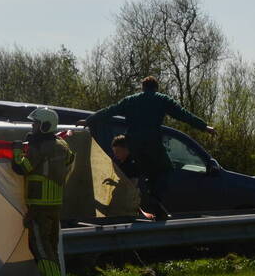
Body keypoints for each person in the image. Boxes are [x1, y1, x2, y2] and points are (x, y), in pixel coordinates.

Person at [82, 76, 215, 221]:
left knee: (144, 172)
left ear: (142, 88)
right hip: (152, 143)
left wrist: (90, 119)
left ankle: (152, 205)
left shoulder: (130, 100)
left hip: (133, 144)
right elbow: (183, 114)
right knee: (164, 170)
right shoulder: (161, 99)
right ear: (156, 88)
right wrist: (204, 126)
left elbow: (110, 110)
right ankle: (153, 200)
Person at [11, 107, 74, 276]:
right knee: (51, 243)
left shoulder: (39, 147)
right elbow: (69, 161)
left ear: (45, 126)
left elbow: (22, 168)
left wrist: (16, 151)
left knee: (38, 244)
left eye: (36, 123)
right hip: (55, 204)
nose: (33, 126)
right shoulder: (62, 144)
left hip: (39, 205)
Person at [110, 134, 164, 221]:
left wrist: (115, 184)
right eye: (114, 152)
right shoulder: (125, 163)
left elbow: (131, 185)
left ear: (126, 149)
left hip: (135, 205)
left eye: (117, 152)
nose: (115, 155)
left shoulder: (131, 165)